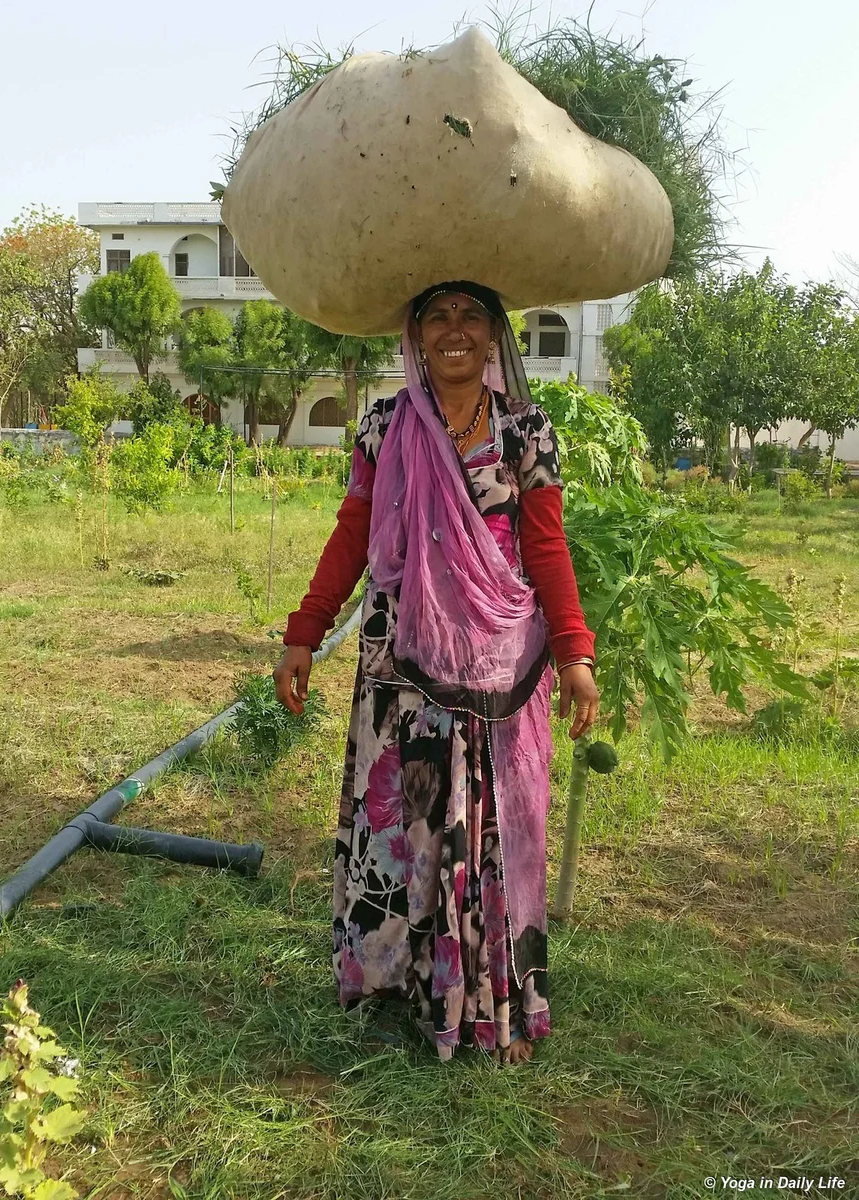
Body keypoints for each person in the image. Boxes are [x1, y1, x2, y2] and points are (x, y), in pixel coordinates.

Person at [274, 281, 599, 1066]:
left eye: (471, 316)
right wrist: (304, 632)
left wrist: (575, 653)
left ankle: (490, 999)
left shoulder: (526, 433)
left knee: (485, 831)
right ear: (414, 333)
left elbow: (546, 549)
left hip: (496, 668)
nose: (455, 331)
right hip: (401, 662)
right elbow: (353, 532)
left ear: (494, 335)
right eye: (438, 316)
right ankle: (395, 985)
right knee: (406, 825)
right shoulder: (387, 426)